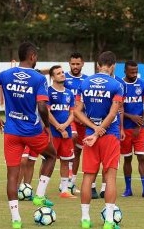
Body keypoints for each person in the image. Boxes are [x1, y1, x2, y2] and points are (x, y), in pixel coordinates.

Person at [0, 42, 57, 229]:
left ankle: (16, 220)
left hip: (11, 132)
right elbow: (41, 107)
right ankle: (39, 195)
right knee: (51, 156)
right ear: (32, 57)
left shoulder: (5, 75)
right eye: (36, 56)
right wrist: (46, 126)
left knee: (12, 175)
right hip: (32, 131)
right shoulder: (39, 79)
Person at [74, 51, 123, 229]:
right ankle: (109, 222)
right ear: (113, 66)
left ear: (97, 65)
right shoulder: (116, 84)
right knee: (110, 176)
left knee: (88, 176)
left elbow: (77, 111)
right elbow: (113, 112)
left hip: (89, 135)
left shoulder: (84, 83)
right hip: (110, 135)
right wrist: (100, 130)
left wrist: (93, 129)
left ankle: (85, 219)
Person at [120, 60, 144, 198]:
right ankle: (128, 189)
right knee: (127, 159)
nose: (134, 74)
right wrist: (131, 117)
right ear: (125, 71)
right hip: (124, 129)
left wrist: (139, 124)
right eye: (131, 71)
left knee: (142, 158)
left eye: (136, 71)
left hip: (139, 129)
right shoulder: (119, 84)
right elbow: (118, 108)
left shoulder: (143, 84)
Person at [47, 65, 77, 199]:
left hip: (67, 133)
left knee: (66, 161)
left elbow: (72, 113)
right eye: (58, 73)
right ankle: (42, 190)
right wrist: (59, 127)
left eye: (62, 72)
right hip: (52, 133)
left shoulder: (69, 93)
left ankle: (64, 190)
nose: (62, 75)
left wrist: (65, 126)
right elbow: (46, 112)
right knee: (48, 161)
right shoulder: (48, 91)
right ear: (52, 77)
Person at [65, 52, 89, 195]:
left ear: (82, 64)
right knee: (69, 149)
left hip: (82, 121)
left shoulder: (87, 80)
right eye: (72, 64)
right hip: (69, 119)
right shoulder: (64, 78)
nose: (75, 66)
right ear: (69, 64)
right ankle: (65, 182)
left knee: (78, 152)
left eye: (77, 64)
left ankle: (71, 183)